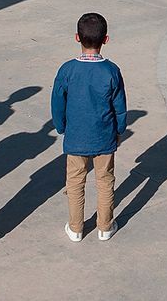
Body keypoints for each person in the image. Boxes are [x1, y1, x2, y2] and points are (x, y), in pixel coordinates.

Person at [51, 12, 127, 242]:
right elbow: (120, 106)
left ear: (77, 37)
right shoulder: (111, 70)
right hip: (104, 136)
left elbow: (57, 102)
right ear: (105, 39)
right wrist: (119, 130)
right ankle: (105, 226)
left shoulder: (67, 70)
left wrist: (61, 126)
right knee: (105, 181)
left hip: (76, 137)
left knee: (75, 182)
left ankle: (76, 228)